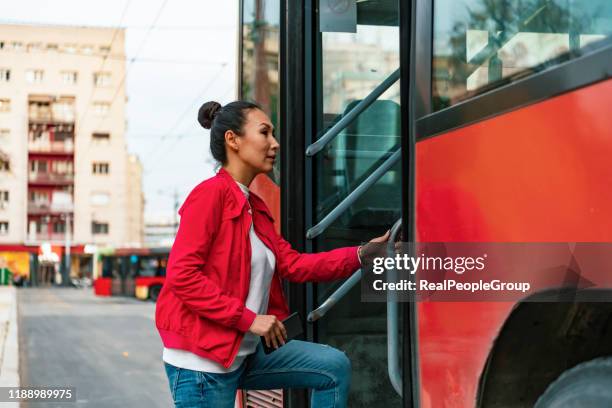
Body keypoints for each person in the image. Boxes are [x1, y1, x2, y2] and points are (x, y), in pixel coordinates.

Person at [155, 100, 389, 408]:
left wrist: (362, 254)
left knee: (333, 367)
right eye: (264, 132)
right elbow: (182, 277)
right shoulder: (210, 195)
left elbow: (294, 265)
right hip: (203, 366)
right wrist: (249, 320)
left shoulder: (255, 207)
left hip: (244, 354)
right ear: (233, 140)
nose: (274, 143)